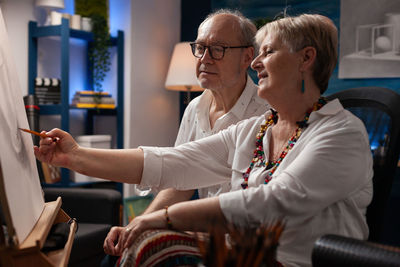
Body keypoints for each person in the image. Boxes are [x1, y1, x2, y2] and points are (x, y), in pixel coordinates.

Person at [35, 14, 373, 267]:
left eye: (267, 52)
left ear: (306, 59)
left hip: (295, 261)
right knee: (141, 243)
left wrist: (158, 218)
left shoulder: (341, 133)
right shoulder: (254, 130)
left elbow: (270, 204)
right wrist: (75, 156)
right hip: (240, 252)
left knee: (150, 245)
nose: (256, 63)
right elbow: (169, 163)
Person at [141, 9, 268, 213]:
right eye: (200, 48)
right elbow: (179, 181)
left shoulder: (268, 113)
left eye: (218, 49)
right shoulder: (194, 108)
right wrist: (138, 224)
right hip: (202, 230)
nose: (205, 59)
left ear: (247, 57)